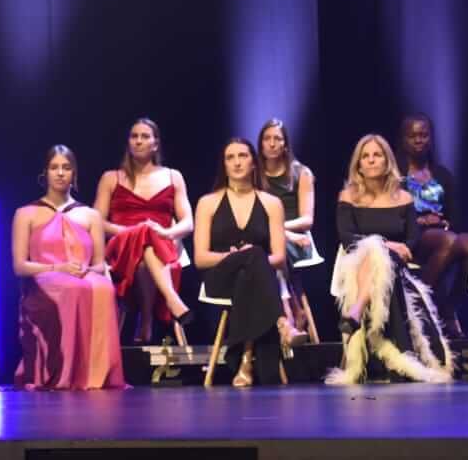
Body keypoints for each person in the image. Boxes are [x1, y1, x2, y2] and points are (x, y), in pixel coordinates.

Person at [326, 134, 453, 384]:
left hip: (397, 267)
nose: (372, 160)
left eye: (377, 155)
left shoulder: (403, 197)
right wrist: (384, 244)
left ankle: (356, 312)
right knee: (374, 250)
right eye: (366, 156)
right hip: (356, 265)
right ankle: (401, 357)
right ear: (358, 164)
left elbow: (413, 241)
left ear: (387, 161)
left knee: (383, 258)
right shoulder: (348, 196)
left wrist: (391, 248)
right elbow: (347, 239)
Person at [12, 146, 125, 390]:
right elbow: (20, 266)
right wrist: (58, 267)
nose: (60, 173)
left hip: (82, 274)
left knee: (104, 289)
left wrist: (86, 270)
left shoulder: (90, 215)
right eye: (54, 168)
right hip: (45, 277)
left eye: (66, 168)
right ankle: (64, 373)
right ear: (45, 173)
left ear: (74, 174)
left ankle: (96, 375)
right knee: (71, 289)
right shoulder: (26, 213)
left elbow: (98, 263)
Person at [193, 138, 294, 386]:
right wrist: (239, 257)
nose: (237, 162)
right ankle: (282, 322)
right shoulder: (208, 203)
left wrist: (250, 260)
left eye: (243, 156)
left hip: (256, 281)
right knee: (255, 255)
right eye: (230, 157)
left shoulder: (272, 203)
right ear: (224, 165)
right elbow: (201, 258)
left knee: (252, 266)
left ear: (253, 163)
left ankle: (246, 361)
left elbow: (280, 257)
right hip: (219, 278)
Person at [93, 118, 194, 343]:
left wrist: (167, 233)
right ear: (128, 142)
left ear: (155, 144)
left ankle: (146, 319)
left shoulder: (173, 176)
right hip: (121, 247)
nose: (138, 141)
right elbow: (96, 221)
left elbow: (188, 223)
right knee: (143, 233)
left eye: (145, 136)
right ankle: (170, 299)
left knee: (146, 245)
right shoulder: (111, 178)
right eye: (134, 136)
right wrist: (130, 230)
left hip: (162, 246)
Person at [397, 114, 468, 334]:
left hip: (443, 234)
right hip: (412, 237)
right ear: (404, 140)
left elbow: (455, 212)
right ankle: (422, 302)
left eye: (423, 135)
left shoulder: (442, 174)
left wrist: (445, 222)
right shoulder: (397, 176)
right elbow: (393, 215)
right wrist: (420, 220)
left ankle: (449, 306)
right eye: (413, 136)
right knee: (450, 240)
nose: (419, 140)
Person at [257, 120, 318, 339]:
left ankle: (288, 316)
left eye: (277, 139)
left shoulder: (301, 173)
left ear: (285, 144)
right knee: (267, 248)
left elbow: (307, 220)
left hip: (297, 240)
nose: (272, 144)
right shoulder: (254, 174)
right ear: (261, 144)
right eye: (267, 139)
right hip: (265, 238)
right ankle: (292, 310)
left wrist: (281, 229)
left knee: (273, 248)